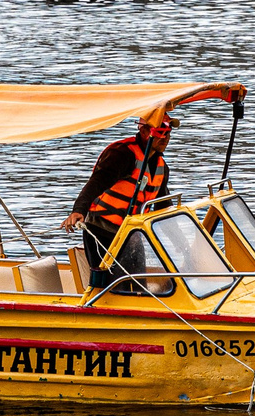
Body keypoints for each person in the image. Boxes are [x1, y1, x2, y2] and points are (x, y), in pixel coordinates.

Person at [61, 111, 172, 289]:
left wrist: (183, 245)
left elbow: (163, 206)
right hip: (101, 233)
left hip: (131, 235)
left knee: (138, 286)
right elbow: (96, 183)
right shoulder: (121, 154)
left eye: (168, 132)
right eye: (160, 132)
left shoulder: (160, 167)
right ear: (144, 131)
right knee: (107, 287)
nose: (165, 138)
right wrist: (78, 211)